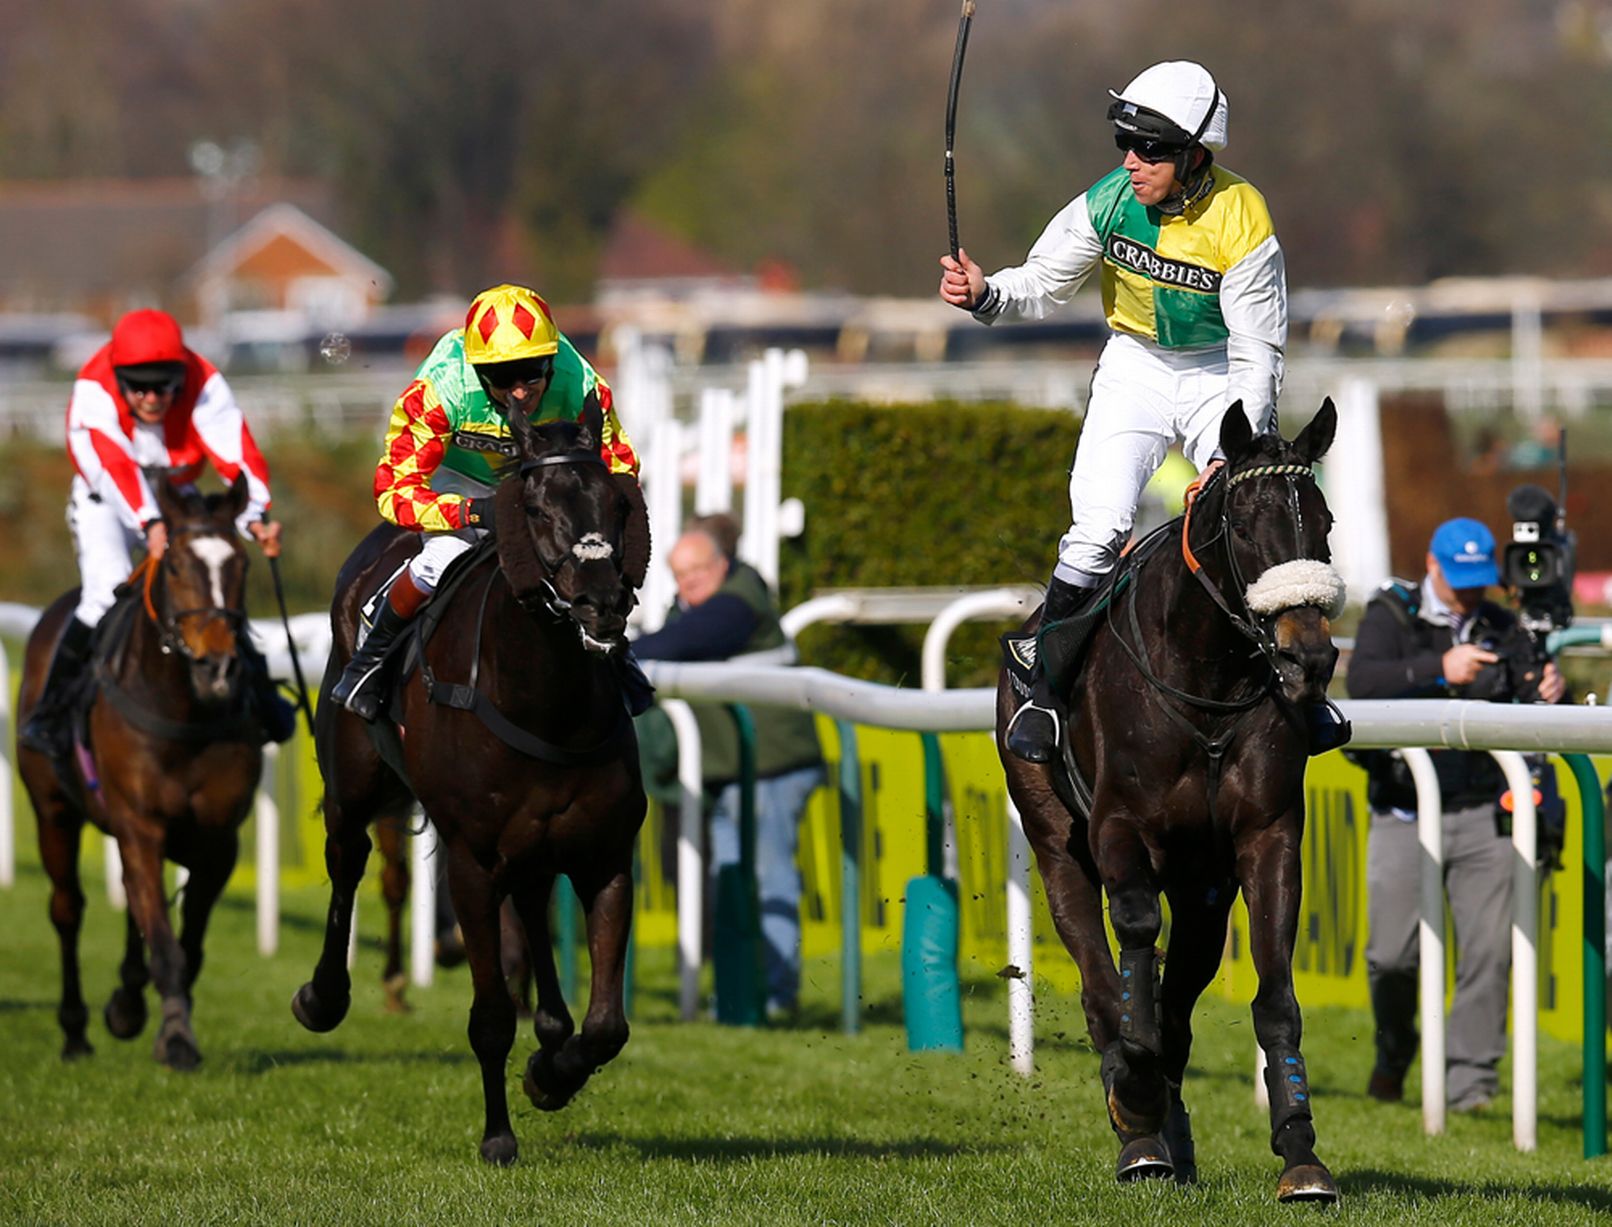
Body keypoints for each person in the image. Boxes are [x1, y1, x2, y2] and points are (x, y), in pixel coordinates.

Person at [937, 60, 1325, 762]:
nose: (1133, 162)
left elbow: (1256, 352)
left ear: (1194, 155)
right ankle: (1045, 700)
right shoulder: (1109, 199)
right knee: (1094, 533)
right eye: (1128, 145)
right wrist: (986, 291)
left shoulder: (1244, 219)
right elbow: (1042, 283)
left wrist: (1228, 457)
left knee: (1255, 513)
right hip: (1136, 367)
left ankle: (1301, 692)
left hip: (1220, 374)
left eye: (1150, 150)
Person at [330, 283, 648, 719]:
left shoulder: (584, 387)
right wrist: (474, 512)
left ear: (552, 360)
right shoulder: (438, 391)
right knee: (442, 556)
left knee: (586, 547)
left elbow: (622, 468)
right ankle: (372, 660)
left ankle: (613, 644)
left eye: (533, 371)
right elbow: (394, 491)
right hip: (457, 477)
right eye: (502, 378)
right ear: (478, 372)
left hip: (539, 477)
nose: (519, 391)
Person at [1347, 517, 1567, 1112]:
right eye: (1460, 580)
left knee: (1490, 953)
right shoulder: (1390, 616)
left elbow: (1538, 710)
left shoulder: (1503, 624)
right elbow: (1360, 688)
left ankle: (1470, 1086)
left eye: (1480, 581)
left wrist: (1552, 691)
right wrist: (1436, 672)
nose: (1472, 594)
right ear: (1432, 564)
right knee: (1391, 956)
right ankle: (1395, 1051)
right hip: (1402, 808)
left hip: (1483, 812)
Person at [20, 308, 289, 758]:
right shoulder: (93, 389)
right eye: (138, 386)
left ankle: (262, 697)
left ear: (180, 376)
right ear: (118, 377)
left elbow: (236, 454)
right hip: (106, 499)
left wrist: (254, 516)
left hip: (176, 497)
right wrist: (149, 521)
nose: (150, 397)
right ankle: (50, 712)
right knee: (106, 592)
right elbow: (114, 467)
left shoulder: (205, 383)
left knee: (211, 583)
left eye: (163, 385)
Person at [633, 517, 825, 1019]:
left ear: (724, 564)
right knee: (727, 880)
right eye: (679, 575)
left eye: (696, 570)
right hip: (733, 772)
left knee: (767, 877)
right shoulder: (700, 604)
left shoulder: (740, 600)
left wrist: (614, 653)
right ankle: (738, 996)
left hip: (772, 767)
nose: (687, 583)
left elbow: (687, 641)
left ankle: (779, 996)